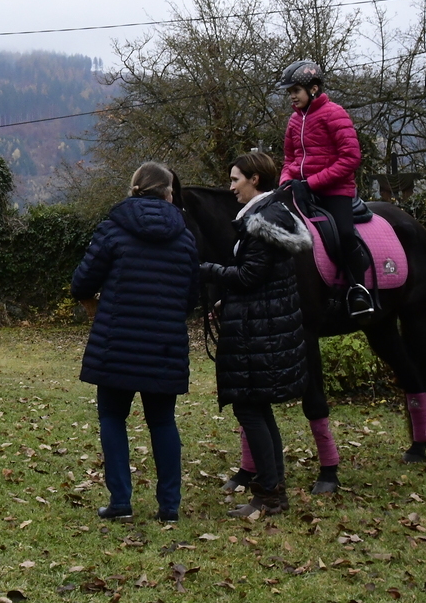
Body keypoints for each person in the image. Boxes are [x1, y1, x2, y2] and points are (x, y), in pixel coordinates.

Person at [71, 162, 200, 522]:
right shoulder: (185, 236)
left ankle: (121, 502)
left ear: (135, 188)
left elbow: (82, 282)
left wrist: (97, 302)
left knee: (113, 417)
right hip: (165, 344)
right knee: (163, 422)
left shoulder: (113, 229)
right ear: (168, 193)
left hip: (117, 341)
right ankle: (169, 506)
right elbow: (192, 297)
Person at [200, 151, 309, 518]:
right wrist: (226, 301)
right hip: (263, 325)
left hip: (259, 331)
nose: (231, 187)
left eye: (236, 179)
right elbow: (260, 278)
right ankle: (273, 490)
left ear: (255, 180)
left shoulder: (262, 221)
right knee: (258, 408)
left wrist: (206, 270)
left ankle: (269, 495)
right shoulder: (270, 215)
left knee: (250, 408)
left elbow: (249, 276)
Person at [278, 60, 372, 316]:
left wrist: (312, 182)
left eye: (296, 90)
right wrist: (285, 181)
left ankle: (359, 290)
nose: (292, 96)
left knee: (344, 233)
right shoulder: (294, 121)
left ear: (314, 89)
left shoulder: (334, 113)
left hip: (335, 190)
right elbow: (289, 159)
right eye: (290, 92)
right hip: (300, 189)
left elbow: (350, 158)